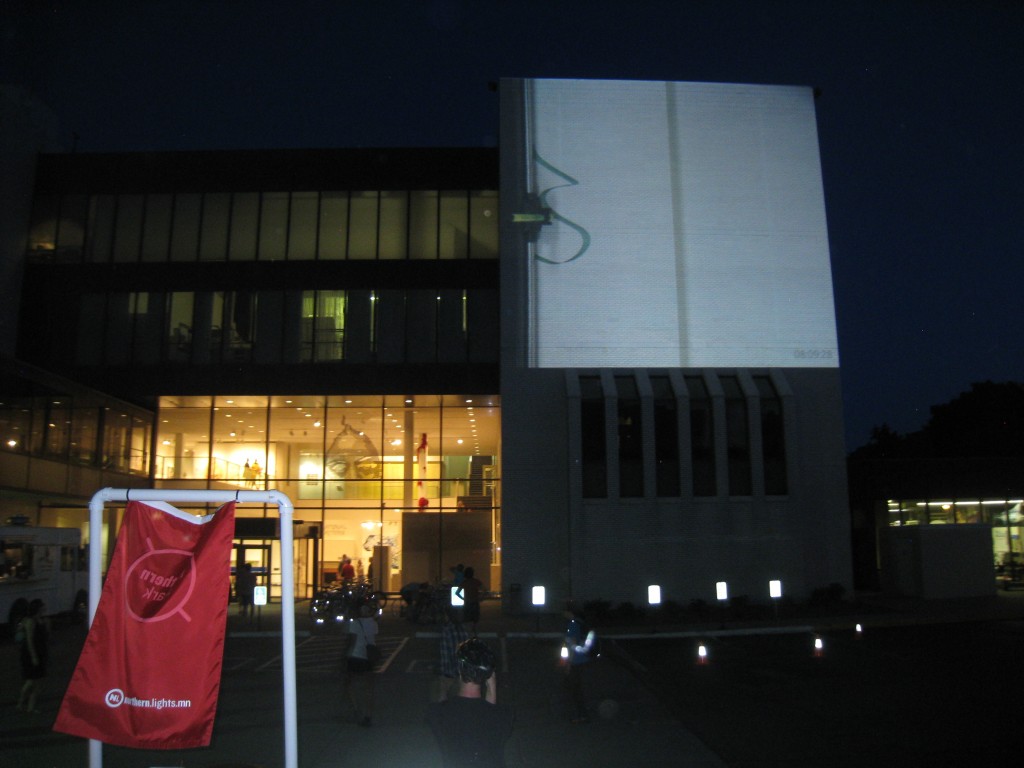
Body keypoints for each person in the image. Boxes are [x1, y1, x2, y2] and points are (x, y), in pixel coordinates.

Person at [427, 637, 512, 767]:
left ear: (460, 670)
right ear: (489, 674)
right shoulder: (504, 716)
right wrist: (492, 686)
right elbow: (490, 716)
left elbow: (441, 709)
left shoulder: (438, 714)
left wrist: (443, 688)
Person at [342, 601, 378, 727]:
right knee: (368, 687)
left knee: (349, 684)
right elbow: (373, 639)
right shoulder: (373, 623)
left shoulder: (355, 623)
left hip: (355, 656)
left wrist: (344, 656)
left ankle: (357, 710)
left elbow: (352, 641)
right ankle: (368, 714)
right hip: (368, 657)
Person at [562, 602, 596, 723]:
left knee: (576, 689)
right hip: (584, 658)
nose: (563, 614)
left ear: (569, 613)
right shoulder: (581, 623)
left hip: (575, 661)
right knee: (580, 687)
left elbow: (572, 645)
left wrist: (568, 664)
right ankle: (584, 711)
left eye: (565, 611)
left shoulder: (573, 625)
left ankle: (582, 715)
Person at [17, 599, 49, 714]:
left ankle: (30, 707)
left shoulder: (41, 620)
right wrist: (33, 656)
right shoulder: (30, 621)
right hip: (31, 654)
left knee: (37, 682)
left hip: (41, 652)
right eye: (42, 607)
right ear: (38, 609)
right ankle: (21, 702)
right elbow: (29, 640)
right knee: (31, 681)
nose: (44, 609)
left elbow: (46, 636)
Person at [434, 607, 468, 702]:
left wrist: (443, 672)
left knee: (442, 696)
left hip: (449, 671)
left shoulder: (447, 630)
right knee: (459, 697)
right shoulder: (462, 629)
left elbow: (445, 654)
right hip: (461, 670)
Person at [455, 566, 483, 633]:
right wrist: (481, 597)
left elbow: (457, 593)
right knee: (475, 619)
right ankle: (474, 632)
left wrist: (463, 599)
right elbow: (484, 590)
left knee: (467, 619)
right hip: (475, 602)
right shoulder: (476, 581)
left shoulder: (464, 583)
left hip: (467, 603)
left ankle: (468, 633)